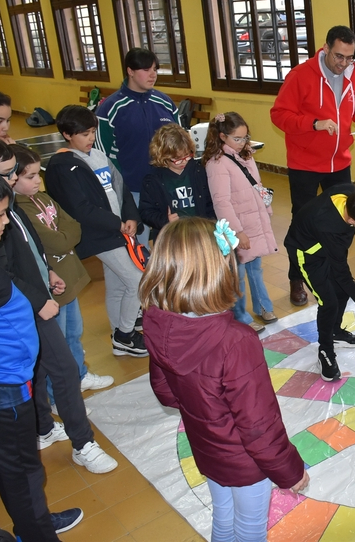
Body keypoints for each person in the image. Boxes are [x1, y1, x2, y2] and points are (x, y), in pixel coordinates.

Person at [139, 217, 308, 542]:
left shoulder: (157, 320)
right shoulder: (236, 340)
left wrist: (202, 404)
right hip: (245, 462)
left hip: (206, 449)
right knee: (249, 528)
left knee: (225, 515)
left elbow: (165, 392)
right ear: (220, 271)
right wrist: (289, 470)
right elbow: (258, 424)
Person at [0, 137, 118, 475]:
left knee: (47, 368)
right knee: (60, 369)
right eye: (6, 174)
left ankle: (45, 427)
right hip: (21, 307)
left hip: (36, 293)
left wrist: (46, 270)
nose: (14, 179)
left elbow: (26, 246)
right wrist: (38, 299)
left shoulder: (8, 202)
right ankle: (82, 442)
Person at [0, 165, 83, 541]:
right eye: (0, 214)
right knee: (22, 471)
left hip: (0, 381)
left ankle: (34, 522)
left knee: (17, 469)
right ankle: (38, 532)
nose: (7, 222)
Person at [270, 25, 355, 307]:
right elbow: (279, 115)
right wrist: (313, 124)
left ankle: (338, 273)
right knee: (302, 222)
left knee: (346, 221)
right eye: (338, 57)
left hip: (339, 161)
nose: (344, 63)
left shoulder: (352, 74)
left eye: (349, 58)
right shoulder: (301, 76)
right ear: (325, 48)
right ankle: (296, 277)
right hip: (305, 163)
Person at [10, 145, 115, 404]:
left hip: (69, 279)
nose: (38, 180)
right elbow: (55, 242)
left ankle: (78, 375)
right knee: (55, 346)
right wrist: (65, 238)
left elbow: (73, 225)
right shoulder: (19, 208)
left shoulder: (44, 198)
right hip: (51, 287)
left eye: (38, 174)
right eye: (30, 176)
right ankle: (58, 396)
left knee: (73, 333)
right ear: (13, 178)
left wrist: (65, 237)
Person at [45, 105, 148, 358]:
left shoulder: (99, 155)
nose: (90, 138)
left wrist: (131, 217)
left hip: (116, 229)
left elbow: (120, 189)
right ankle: (125, 335)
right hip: (97, 235)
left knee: (117, 286)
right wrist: (117, 224)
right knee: (137, 280)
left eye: (92, 132)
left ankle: (120, 333)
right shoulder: (61, 166)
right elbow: (79, 208)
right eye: (84, 134)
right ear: (68, 135)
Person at [283, 185, 355, 381]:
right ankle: (325, 351)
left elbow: (340, 269)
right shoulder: (328, 226)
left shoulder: (349, 195)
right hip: (306, 253)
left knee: (342, 292)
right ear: (352, 220)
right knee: (328, 301)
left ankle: (335, 331)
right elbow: (343, 274)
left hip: (324, 244)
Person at [94, 48, 178, 246]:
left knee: (170, 242)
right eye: (146, 69)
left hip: (165, 186)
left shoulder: (165, 102)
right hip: (132, 190)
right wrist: (119, 188)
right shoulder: (110, 108)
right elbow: (101, 154)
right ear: (130, 71)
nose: (153, 74)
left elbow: (181, 145)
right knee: (138, 245)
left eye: (155, 69)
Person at [202, 112, 278, 332]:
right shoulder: (217, 164)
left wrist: (266, 210)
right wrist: (237, 232)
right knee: (239, 275)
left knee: (256, 268)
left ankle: (264, 306)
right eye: (237, 138)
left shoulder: (246, 155)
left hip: (255, 221)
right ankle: (241, 317)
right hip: (239, 227)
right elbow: (221, 203)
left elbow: (257, 185)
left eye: (246, 137)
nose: (243, 142)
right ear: (222, 136)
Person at [139, 123, 215, 241]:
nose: (183, 162)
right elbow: (146, 212)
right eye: (177, 160)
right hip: (172, 237)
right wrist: (165, 220)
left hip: (200, 233)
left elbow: (210, 203)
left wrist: (211, 226)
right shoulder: (153, 179)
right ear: (162, 157)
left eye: (187, 156)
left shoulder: (198, 171)